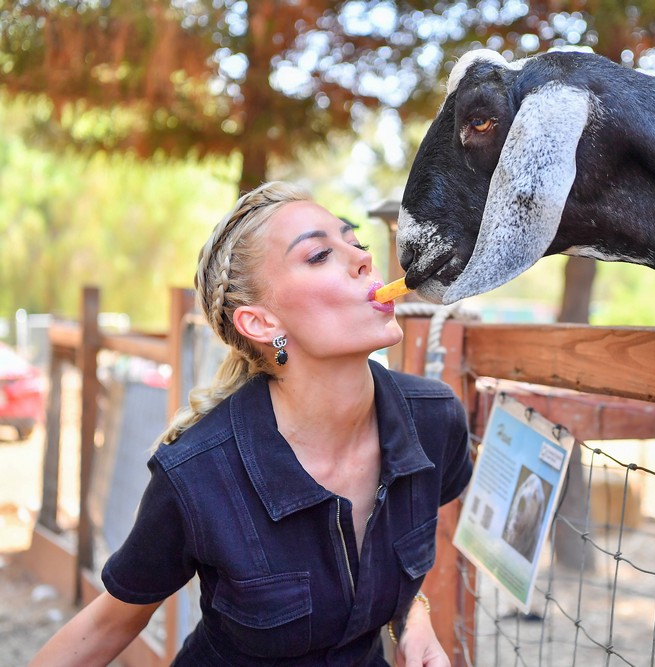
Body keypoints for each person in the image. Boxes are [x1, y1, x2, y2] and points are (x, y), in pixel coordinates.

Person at [30, 181, 473, 666]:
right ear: (261, 324)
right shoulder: (196, 475)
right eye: (320, 254)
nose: (363, 259)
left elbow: (396, 561)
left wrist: (413, 614)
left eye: (356, 242)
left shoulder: (435, 421)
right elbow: (106, 626)